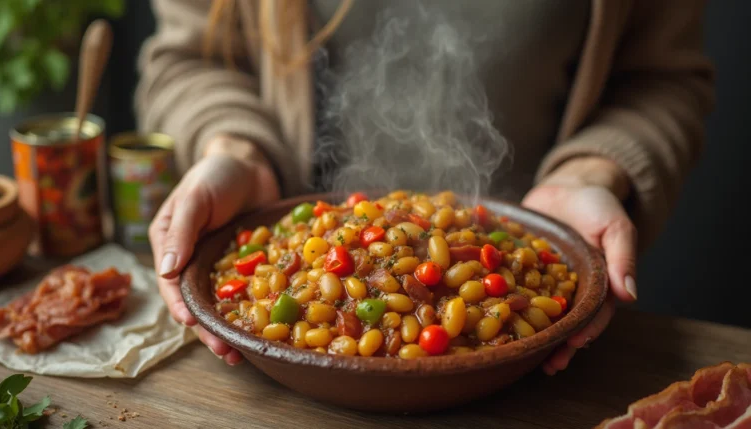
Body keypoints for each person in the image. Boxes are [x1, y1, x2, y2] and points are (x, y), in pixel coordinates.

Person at [135, 0, 714, 373]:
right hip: (276, 368)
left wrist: (592, 172)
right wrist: (235, 149)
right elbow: (190, 58)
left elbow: (661, 79)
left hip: (546, 369)